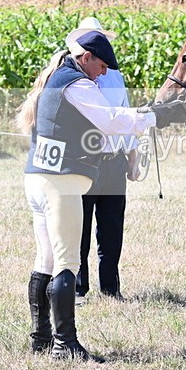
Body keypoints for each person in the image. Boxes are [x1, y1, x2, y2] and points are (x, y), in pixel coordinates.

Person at [16, 30, 186, 362]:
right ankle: (65, 345)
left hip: (38, 178)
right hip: (60, 183)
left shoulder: (58, 77)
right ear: (85, 59)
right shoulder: (79, 85)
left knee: (46, 261)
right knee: (66, 264)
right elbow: (111, 121)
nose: (105, 72)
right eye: (102, 64)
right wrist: (158, 116)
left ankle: (41, 340)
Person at [67, 18, 138, 303]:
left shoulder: (115, 77)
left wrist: (132, 156)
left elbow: (126, 117)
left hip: (114, 161)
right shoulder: (71, 76)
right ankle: (78, 288)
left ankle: (110, 288)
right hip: (86, 161)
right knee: (80, 228)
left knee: (112, 229)